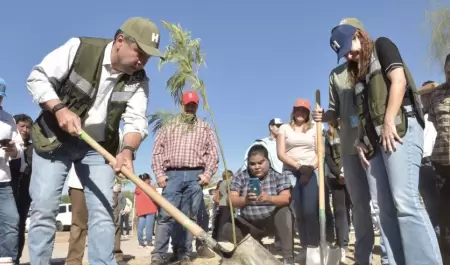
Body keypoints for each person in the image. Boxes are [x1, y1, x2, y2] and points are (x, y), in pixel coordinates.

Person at [25, 17, 163, 264]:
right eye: (139, 52)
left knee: (102, 212)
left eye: (148, 56)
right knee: (44, 209)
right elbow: (37, 78)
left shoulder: (139, 79)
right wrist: (59, 109)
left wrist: (128, 150)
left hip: (97, 148)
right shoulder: (80, 48)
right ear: (120, 41)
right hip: (54, 140)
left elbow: (136, 120)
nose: (142, 61)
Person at [329, 18, 442, 265]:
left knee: (405, 202)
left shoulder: (382, 46)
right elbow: (361, 113)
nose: (349, 55)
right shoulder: (355, 72)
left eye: (350, 47)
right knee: (385, 208)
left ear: (359, 34)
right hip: (376, 141)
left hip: (400, 127)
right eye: (344, 53)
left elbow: (399, 81)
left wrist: (389, 119)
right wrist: (360, 140)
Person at [313, 18, 389, 265]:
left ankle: (389, 257)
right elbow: (335, 111)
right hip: (348, 146)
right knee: (359, 206)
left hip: (372, 143)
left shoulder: (370, 63)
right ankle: (362, 259)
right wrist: (324, 116)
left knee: (381, 203)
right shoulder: (335, 75)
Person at [151, 90, 219, 265]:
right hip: (171, 176)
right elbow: (157, 151)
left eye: (193, 105)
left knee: (189, 218)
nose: (190, 107)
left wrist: (207, 174)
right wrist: (159, 175)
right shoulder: (169, 125)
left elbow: (213, 153)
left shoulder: (204, 127)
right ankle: (158, 255)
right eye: (187, 104)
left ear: (197, 106)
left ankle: (184, 254)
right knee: (166, 216)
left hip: (195, 177)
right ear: (181, 105)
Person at [224, 144, 294, 265]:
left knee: (285, 212)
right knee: (227, 229)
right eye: (252, 164)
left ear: (268, 161)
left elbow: (286, 198)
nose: (256, 167)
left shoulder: (279, 176)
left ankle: (288, 257)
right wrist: (245, 200)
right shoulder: (239, 177)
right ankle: (258, 248)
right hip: (249, 223)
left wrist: (269, 198)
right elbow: (230, 200)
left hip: (271, 222)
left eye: (260, 163)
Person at [276, 98, 319, 263]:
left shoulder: (315, 128)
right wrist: (298, 166)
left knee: (310, 211)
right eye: (298, 109)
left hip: (310, 172)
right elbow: (281, 153)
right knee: (298, 212)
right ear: (293, 111)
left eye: (304, 110)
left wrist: (309, 168)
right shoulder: (284, 128)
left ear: (308, 113)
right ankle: (305, 247)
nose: (300, 112)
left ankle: (314, 248)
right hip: (290, 172)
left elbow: (319, 152)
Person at [427, 55, 450, 263]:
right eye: (447, 70)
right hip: (443, 165)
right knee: (445, 223)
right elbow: (435, 123)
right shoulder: (437, 94)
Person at [0, 78, 23, 262]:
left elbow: (19, 147)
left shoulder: (9, 119)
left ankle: (7, 260)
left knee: (11, 221)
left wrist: (13, 150)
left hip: (3, 180)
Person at [324, 119, 351, 262]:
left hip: (354, 173)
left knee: (351, 210)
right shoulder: (329, 134)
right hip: (336, 178)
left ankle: (349, 241)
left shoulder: (352, 123)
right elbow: (327, 156)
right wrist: (337, 173)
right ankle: (342, 245)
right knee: (340, 211)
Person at [417, 81, 440, 239]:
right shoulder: (418, 116)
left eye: (428, 95)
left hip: (440, 161)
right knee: (433, 210)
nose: (425, 98)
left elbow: (437, 86)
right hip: (424, 164)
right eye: (423, 96)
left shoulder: (441, 111)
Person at [9, 114, 33, 264]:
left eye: (28, 127)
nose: (25, 130)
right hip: (8, 188)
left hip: (25, 190)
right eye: (21, 126)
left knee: (20, 223)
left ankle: (15, 258)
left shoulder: (33, 148)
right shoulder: (8, 145)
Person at [135, 173, 157, 248]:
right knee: (149, 227)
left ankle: (141, 243)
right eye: (149, 180)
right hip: (150, 209)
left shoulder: (137, 189)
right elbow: (156, 197)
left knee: (140, 227)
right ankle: (149, 243)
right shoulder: (151, 188)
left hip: (141, 210)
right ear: (146, 180)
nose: (150, 181)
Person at [212, 170, 233, 241]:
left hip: (221, 203)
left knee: (221, 221)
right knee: (226, 222)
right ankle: (223, 238)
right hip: (227, 203)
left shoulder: (221, 183)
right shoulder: (229, 182)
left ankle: (218, 237)